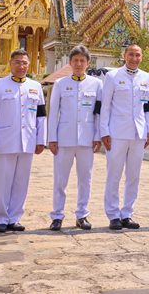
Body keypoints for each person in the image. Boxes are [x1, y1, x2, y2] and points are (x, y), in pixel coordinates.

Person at [0, 49, 46, 232]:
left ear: (29, 64)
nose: (21, 66)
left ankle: (14, 217)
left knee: (21, 181)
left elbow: (41, 116)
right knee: (2, 181)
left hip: (28, 141)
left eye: (24, 63)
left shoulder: (36, 87)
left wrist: (40, 139)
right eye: (17, 62)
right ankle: (0, 218)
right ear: (10, 64)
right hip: (4, 141)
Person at [47, 45, 102, 231]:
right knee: (60, 180)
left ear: (88, 63)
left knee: (85, 179)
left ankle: (82, 214)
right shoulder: (61, 84)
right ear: (70, 63)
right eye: (75, 60)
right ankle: (57, 215)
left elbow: (98, 113)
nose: (79, 64)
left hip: (86, 140)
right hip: (64, 139)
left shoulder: (96, 84)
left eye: (82, 60)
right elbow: (53, 112)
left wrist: (97, 136)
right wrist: (52, 138)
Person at [99, 44, 149, 230]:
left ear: (142, 57)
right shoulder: (113, 76)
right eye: (131, 54)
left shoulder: (146, 78)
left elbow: (148, 106)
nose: (134, 58)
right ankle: (113, 214)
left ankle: (127, 213)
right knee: (114, 175)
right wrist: (104, 131)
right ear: (124, 55)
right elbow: (105, 106)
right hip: (117, 133)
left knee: (133, 176)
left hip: (138, 133)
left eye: (137, 55)